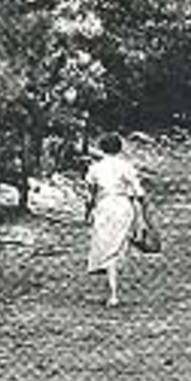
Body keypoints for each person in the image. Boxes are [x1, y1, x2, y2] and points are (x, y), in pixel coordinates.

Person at [84, 131, 145, 307]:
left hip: (104, 207)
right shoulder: (126, 167)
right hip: (123, 206)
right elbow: (138, 192)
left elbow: (90, 195)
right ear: (120, 148)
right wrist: (141, 216)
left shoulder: (95, 168)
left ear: (102, 148)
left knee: (106, 245)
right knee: (117, 247)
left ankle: (112, 291)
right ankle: (113, 289)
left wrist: (87, 213)